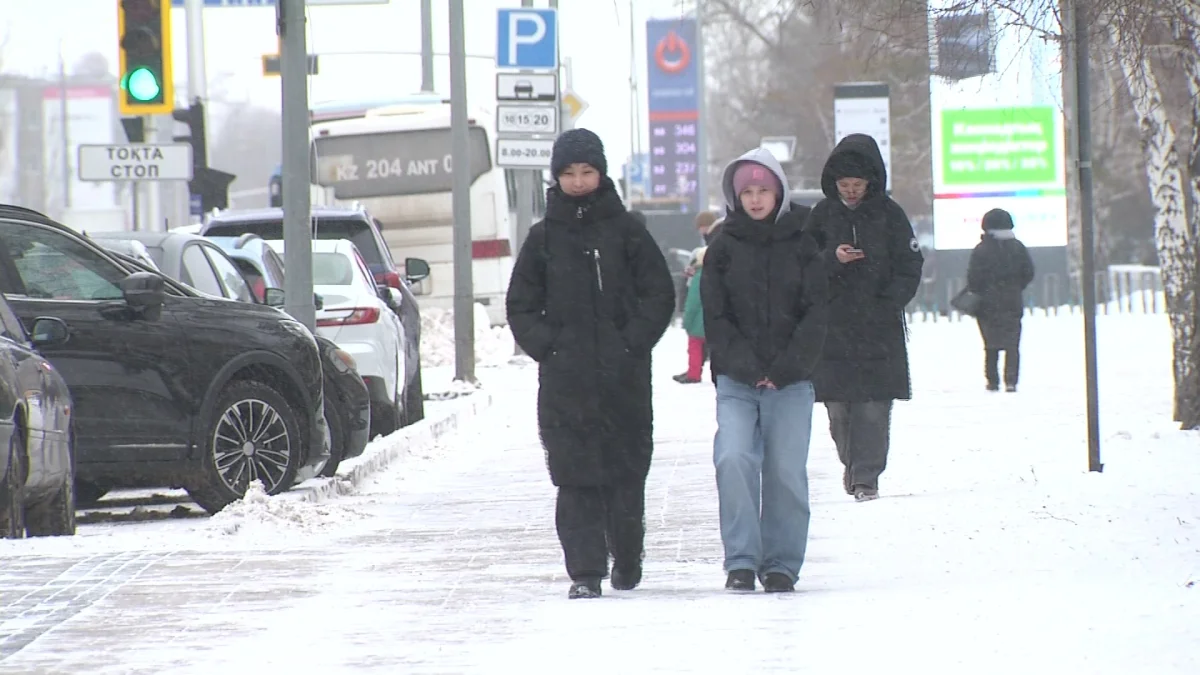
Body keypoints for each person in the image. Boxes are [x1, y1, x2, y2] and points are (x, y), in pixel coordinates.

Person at [505, 128, 677, 600]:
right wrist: (551, 347)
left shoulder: (629, 231)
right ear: (556, 178)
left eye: (586, 172)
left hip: (624, 379)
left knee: (625, 474)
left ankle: (626, 556)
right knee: (575, 476)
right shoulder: (542, 238)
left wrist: (631, 343)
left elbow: (659, 293)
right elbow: (520, 304)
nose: (578, 181)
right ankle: (584, 571)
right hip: (567, 382)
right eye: (568, 173)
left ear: (601, 174)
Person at [701, 148, 828, 593]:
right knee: (733, 458)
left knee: (785, 472)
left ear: (779, 193)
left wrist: (788, 367)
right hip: (738, 382)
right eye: (747, 192)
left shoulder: (805, 242)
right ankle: (740, 559)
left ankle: (781, 564)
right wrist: (747, 366)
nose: (755, 199)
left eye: (763, 190)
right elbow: (715, 317)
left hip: (792, 382)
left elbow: (818, 313)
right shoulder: (722, 247)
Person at [805, 133, 924, 503]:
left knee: (873, 407)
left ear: (871, 182)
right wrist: (831, 259)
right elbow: (802, 264)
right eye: (845, 185)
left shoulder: (891, 215)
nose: (852, 191)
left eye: (858, 184)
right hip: (833, 329)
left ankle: (866, 477)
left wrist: (889, 301)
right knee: (839, 409)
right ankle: (851, 463)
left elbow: (910, 263)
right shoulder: (821, 216)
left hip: (879, 328)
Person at [966, 208, 1035, 392]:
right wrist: (1015, 287)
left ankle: (992, 381)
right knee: (1012, 344)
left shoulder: (981, 250)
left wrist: (985, 290)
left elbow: (973, 279)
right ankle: (1011, 381)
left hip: (986, 306)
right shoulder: (1018, 247)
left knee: (990, 345)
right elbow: (1029, 272)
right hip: (1012, 303)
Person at [675, 245, 707, 384]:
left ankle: (693, 374)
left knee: (694, 346)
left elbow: (693, 302)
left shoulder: (698, 277)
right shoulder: (712, 273)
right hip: (711, 320)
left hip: (698, 322)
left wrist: (687, 321)